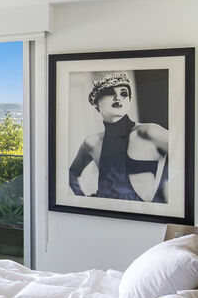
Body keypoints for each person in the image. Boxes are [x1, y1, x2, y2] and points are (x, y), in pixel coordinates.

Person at [68, 72, 168, 201]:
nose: (118, 97)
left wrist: (163, 188)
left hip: (140, 215)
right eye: (110, 93)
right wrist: (84, 200)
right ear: (95, 103)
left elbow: (187, 154)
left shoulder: (148, 132)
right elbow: (71, 174)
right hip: (103, 213)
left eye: (124, 94)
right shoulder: (91, 142)